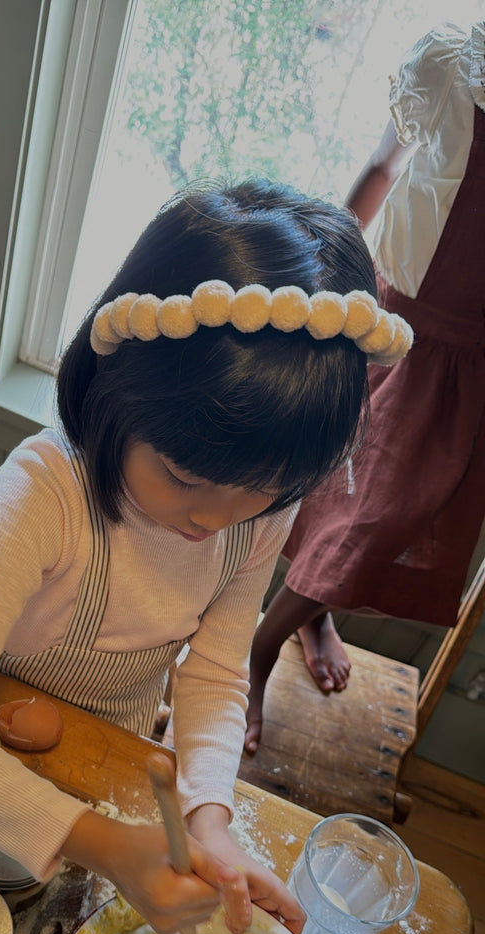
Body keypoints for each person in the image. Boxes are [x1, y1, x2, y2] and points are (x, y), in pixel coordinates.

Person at [0, 178, 410, 934]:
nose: (213, 519)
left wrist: (210, 817)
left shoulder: (258, 514)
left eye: (265, 490)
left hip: (115, 748)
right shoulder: (45, 494)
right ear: (115, 391)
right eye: (184, 477)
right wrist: (107, 845)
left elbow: (218, 674)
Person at [244, 21, 485, 754]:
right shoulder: (452, 67)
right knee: (333, 487)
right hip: (391, 322)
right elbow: (382, 170)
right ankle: (265, 646)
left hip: (467, 363)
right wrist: (326, 275)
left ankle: (293, 623)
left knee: (383, 517)